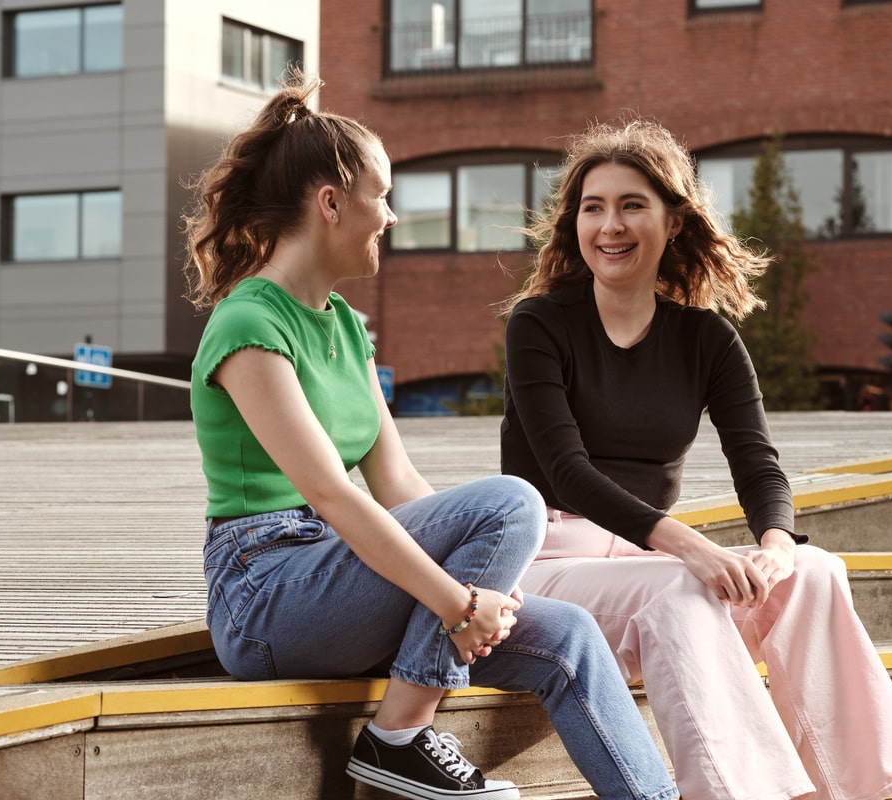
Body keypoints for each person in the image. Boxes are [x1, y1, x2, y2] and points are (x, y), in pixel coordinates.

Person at [184, 78, 680, 800]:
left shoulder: (346, 328)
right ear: (330, 203)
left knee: (570, 635)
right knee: (512, 500)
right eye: (380, 196)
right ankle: (399, 738)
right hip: (266, 592)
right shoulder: (247, 323)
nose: (390, 216)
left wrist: (488, 587)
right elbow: (330, 495)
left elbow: (401, 491)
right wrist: (455, 602)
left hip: (342, 577)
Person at [499, 119, 892, 800]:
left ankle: (853, 791)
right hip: (546, 558)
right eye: (593, 207)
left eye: (632, 205)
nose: (610, 225)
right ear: (575, 224)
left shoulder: (708, 340)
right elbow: (565, 469)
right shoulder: (539, 324)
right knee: (678, 588)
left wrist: (777, 545)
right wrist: (688, 547)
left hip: (640, 557)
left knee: (814, 574)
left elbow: (759, 463)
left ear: (674, 222)